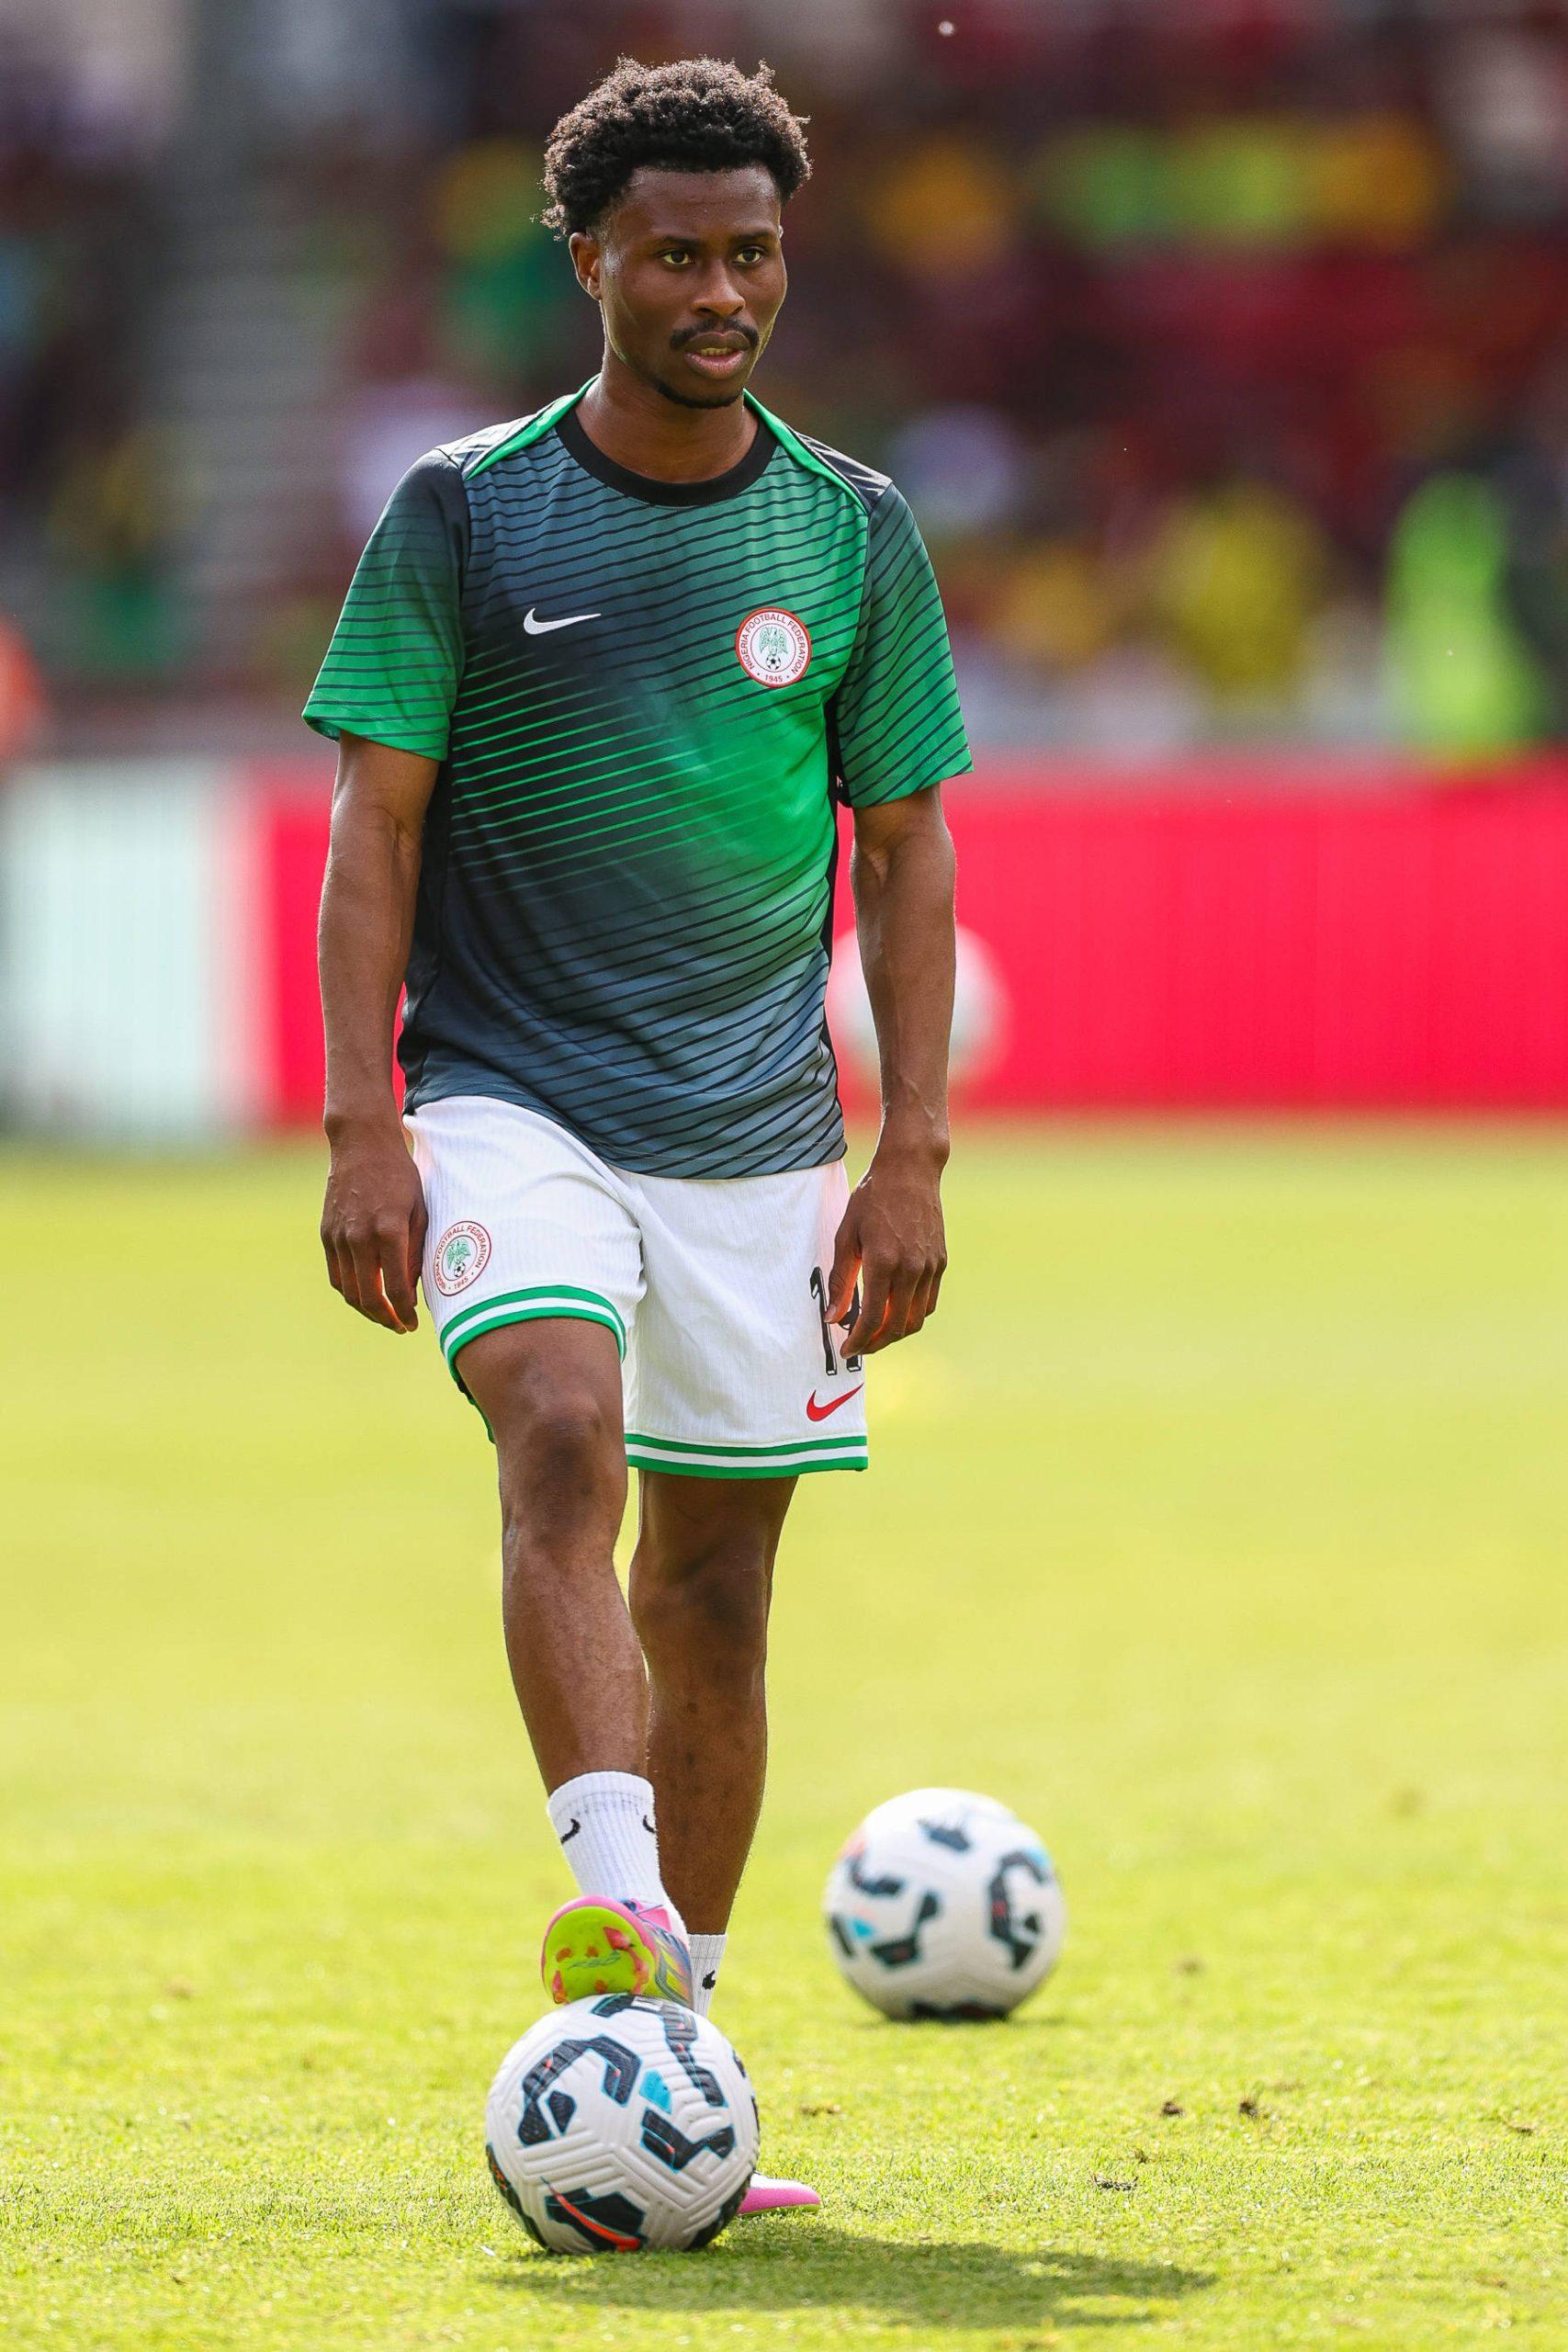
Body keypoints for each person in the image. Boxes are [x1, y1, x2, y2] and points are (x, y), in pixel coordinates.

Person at [307, 56, 969, 2219]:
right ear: (583, 256)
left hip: (761, 1134)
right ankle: (611, 1912)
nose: (718, 289)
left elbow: (907, 854)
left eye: (750, 252)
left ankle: (668, 2063)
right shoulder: (466, 512)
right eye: (673, 251)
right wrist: (363, 1122)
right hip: (506, 1094)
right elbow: (369, 825)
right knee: (559, 1437)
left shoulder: (852, 528)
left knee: (719, 1592)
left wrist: (911, 1153)